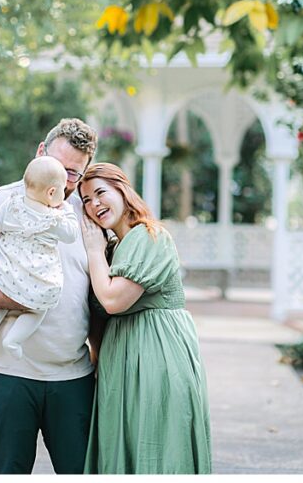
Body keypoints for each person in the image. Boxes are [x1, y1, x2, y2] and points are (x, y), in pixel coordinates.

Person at [0, 118, 101, 474]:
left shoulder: (85, 217)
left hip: (72, 377)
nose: (63, 181)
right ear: (40, 152)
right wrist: (31, 300)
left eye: (74, 174)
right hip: (5, 373)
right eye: (58, 166)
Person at [78, 162, 212, 474]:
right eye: (86, 200)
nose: (94, 204)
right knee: (122, 449)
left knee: (158, 449)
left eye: (100, 193)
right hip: (119, 364)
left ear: (123, 191)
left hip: (159, 358)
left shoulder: (151, 237)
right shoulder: (114, 248)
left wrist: (94, 252)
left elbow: (112, 300)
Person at [0, 156, 80, 359]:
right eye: (62, 191)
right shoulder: (54, 219)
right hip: (36, 279)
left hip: (8, 270)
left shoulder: (11, 206)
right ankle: (13, 340)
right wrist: (67, 211)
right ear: (52, 192)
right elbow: (71, 234)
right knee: (38, 309)